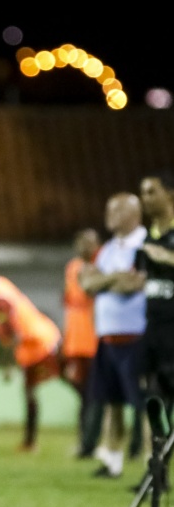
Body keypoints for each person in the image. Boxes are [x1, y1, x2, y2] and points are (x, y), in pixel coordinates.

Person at [79, 191, 147, 478]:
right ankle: (113, 462)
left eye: (116, 210)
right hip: (108, 338)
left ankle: (150, 466)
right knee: (112, 403)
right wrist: (113, 279)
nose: (109, 216)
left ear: (133, 213)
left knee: (145, 405)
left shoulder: (145, 245)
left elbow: (133, 285)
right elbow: (87, 282)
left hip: (137, 336)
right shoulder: (108, 249)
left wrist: (103, 281)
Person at [0, 263, 63, 453]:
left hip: (41, 344)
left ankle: (32, 442)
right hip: (34, 345)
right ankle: (29, 442)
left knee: (71, 386)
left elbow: (13, 332)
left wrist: (8, 365)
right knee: (30, 393)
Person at [133, 171, 174, 459]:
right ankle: (155, 469)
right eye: (143, 193)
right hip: (153, 329)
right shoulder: (148, 238)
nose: (145, 199)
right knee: (153, 399)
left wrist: (167, 258)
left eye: (151, 192)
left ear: (169, 194)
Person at [62, 228, 104, 458]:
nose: (86, 247)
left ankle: (92, 442)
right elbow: (69, 303)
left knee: (95, 394)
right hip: (76, 342)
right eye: (82, 242)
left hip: (97, 340)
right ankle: (86, 441)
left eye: (91, 242)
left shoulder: (104, 267)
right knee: (84, 393)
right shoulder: (72, 268)